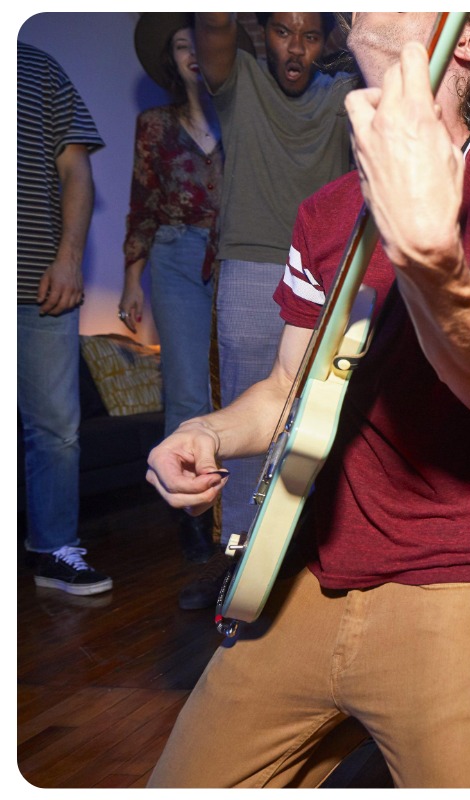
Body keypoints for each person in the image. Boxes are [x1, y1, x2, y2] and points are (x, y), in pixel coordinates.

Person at [143, 12, 470, 787]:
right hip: (303, 580)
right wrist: (206, 431)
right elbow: (286, 388)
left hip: (450, 584)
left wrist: (424, 249)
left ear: (467, 36)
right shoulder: (325, 212)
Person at [178, 12, 355, 610]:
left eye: (310, 35)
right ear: (262, 34)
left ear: (328, 40)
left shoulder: (344, 90)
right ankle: (238, 562)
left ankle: (310, 562)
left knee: (324, 419)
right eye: (282, 32)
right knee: (248, 420)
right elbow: (214, 22)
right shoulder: (239, 79)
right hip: (251, 268)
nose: (296, 48)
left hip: (329, 273)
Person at [120, 13, 252, 564]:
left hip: (236, 252)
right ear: (172, 61)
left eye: (198, 42)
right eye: (180, 46)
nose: (193, 53)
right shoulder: (154, 123)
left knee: (241, 383)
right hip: (174, 256)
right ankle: (194, 515)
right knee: (186, 388)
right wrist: (132, 279)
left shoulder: (244, 111)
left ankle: (241, 512)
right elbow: (143, 202)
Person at [17, 41, 111, 597]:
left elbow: (75, 167)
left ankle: (54, 548)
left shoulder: (39, 66)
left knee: (56, 429)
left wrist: (71, 259)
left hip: (38, 282)